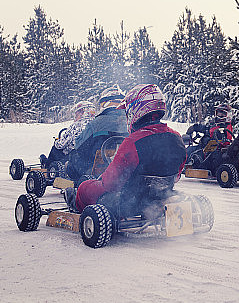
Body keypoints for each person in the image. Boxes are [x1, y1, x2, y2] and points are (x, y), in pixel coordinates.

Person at [67, 83, 187, 214]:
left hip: (129, 203)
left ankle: (76, 204)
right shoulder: (176, 137)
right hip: (161, 197)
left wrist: (99, 180)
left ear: (135, 109)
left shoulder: (133, 141)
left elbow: (110, 184)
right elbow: (177, 175)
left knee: (85, 186)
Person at [64, 86, 129, 181]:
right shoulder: (131, 120)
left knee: (74, 155)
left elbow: (78, 145)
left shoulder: (96, 123)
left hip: (96, 170)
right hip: (124, 168)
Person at [41, 100, 96, 168]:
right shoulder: (96, 124)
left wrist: (56, 142)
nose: (75, 116)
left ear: (82, 112)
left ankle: (47, 166)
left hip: (72, 157)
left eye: (77, 113)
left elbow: (61, 144)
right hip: (89, 157)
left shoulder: (77, 125)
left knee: (56, 147)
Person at [185, 103, 234, 168]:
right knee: (189, 149)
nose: (220, 115)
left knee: (189, 150)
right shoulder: (218, 125)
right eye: (218, 113)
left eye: (222, 113)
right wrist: (195, 127)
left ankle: (182, 165)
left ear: (228, 115)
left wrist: (207, 136)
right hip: (207, 149)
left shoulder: (224, 127)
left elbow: (213, 133)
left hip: (209, 151)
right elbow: (207, 128)